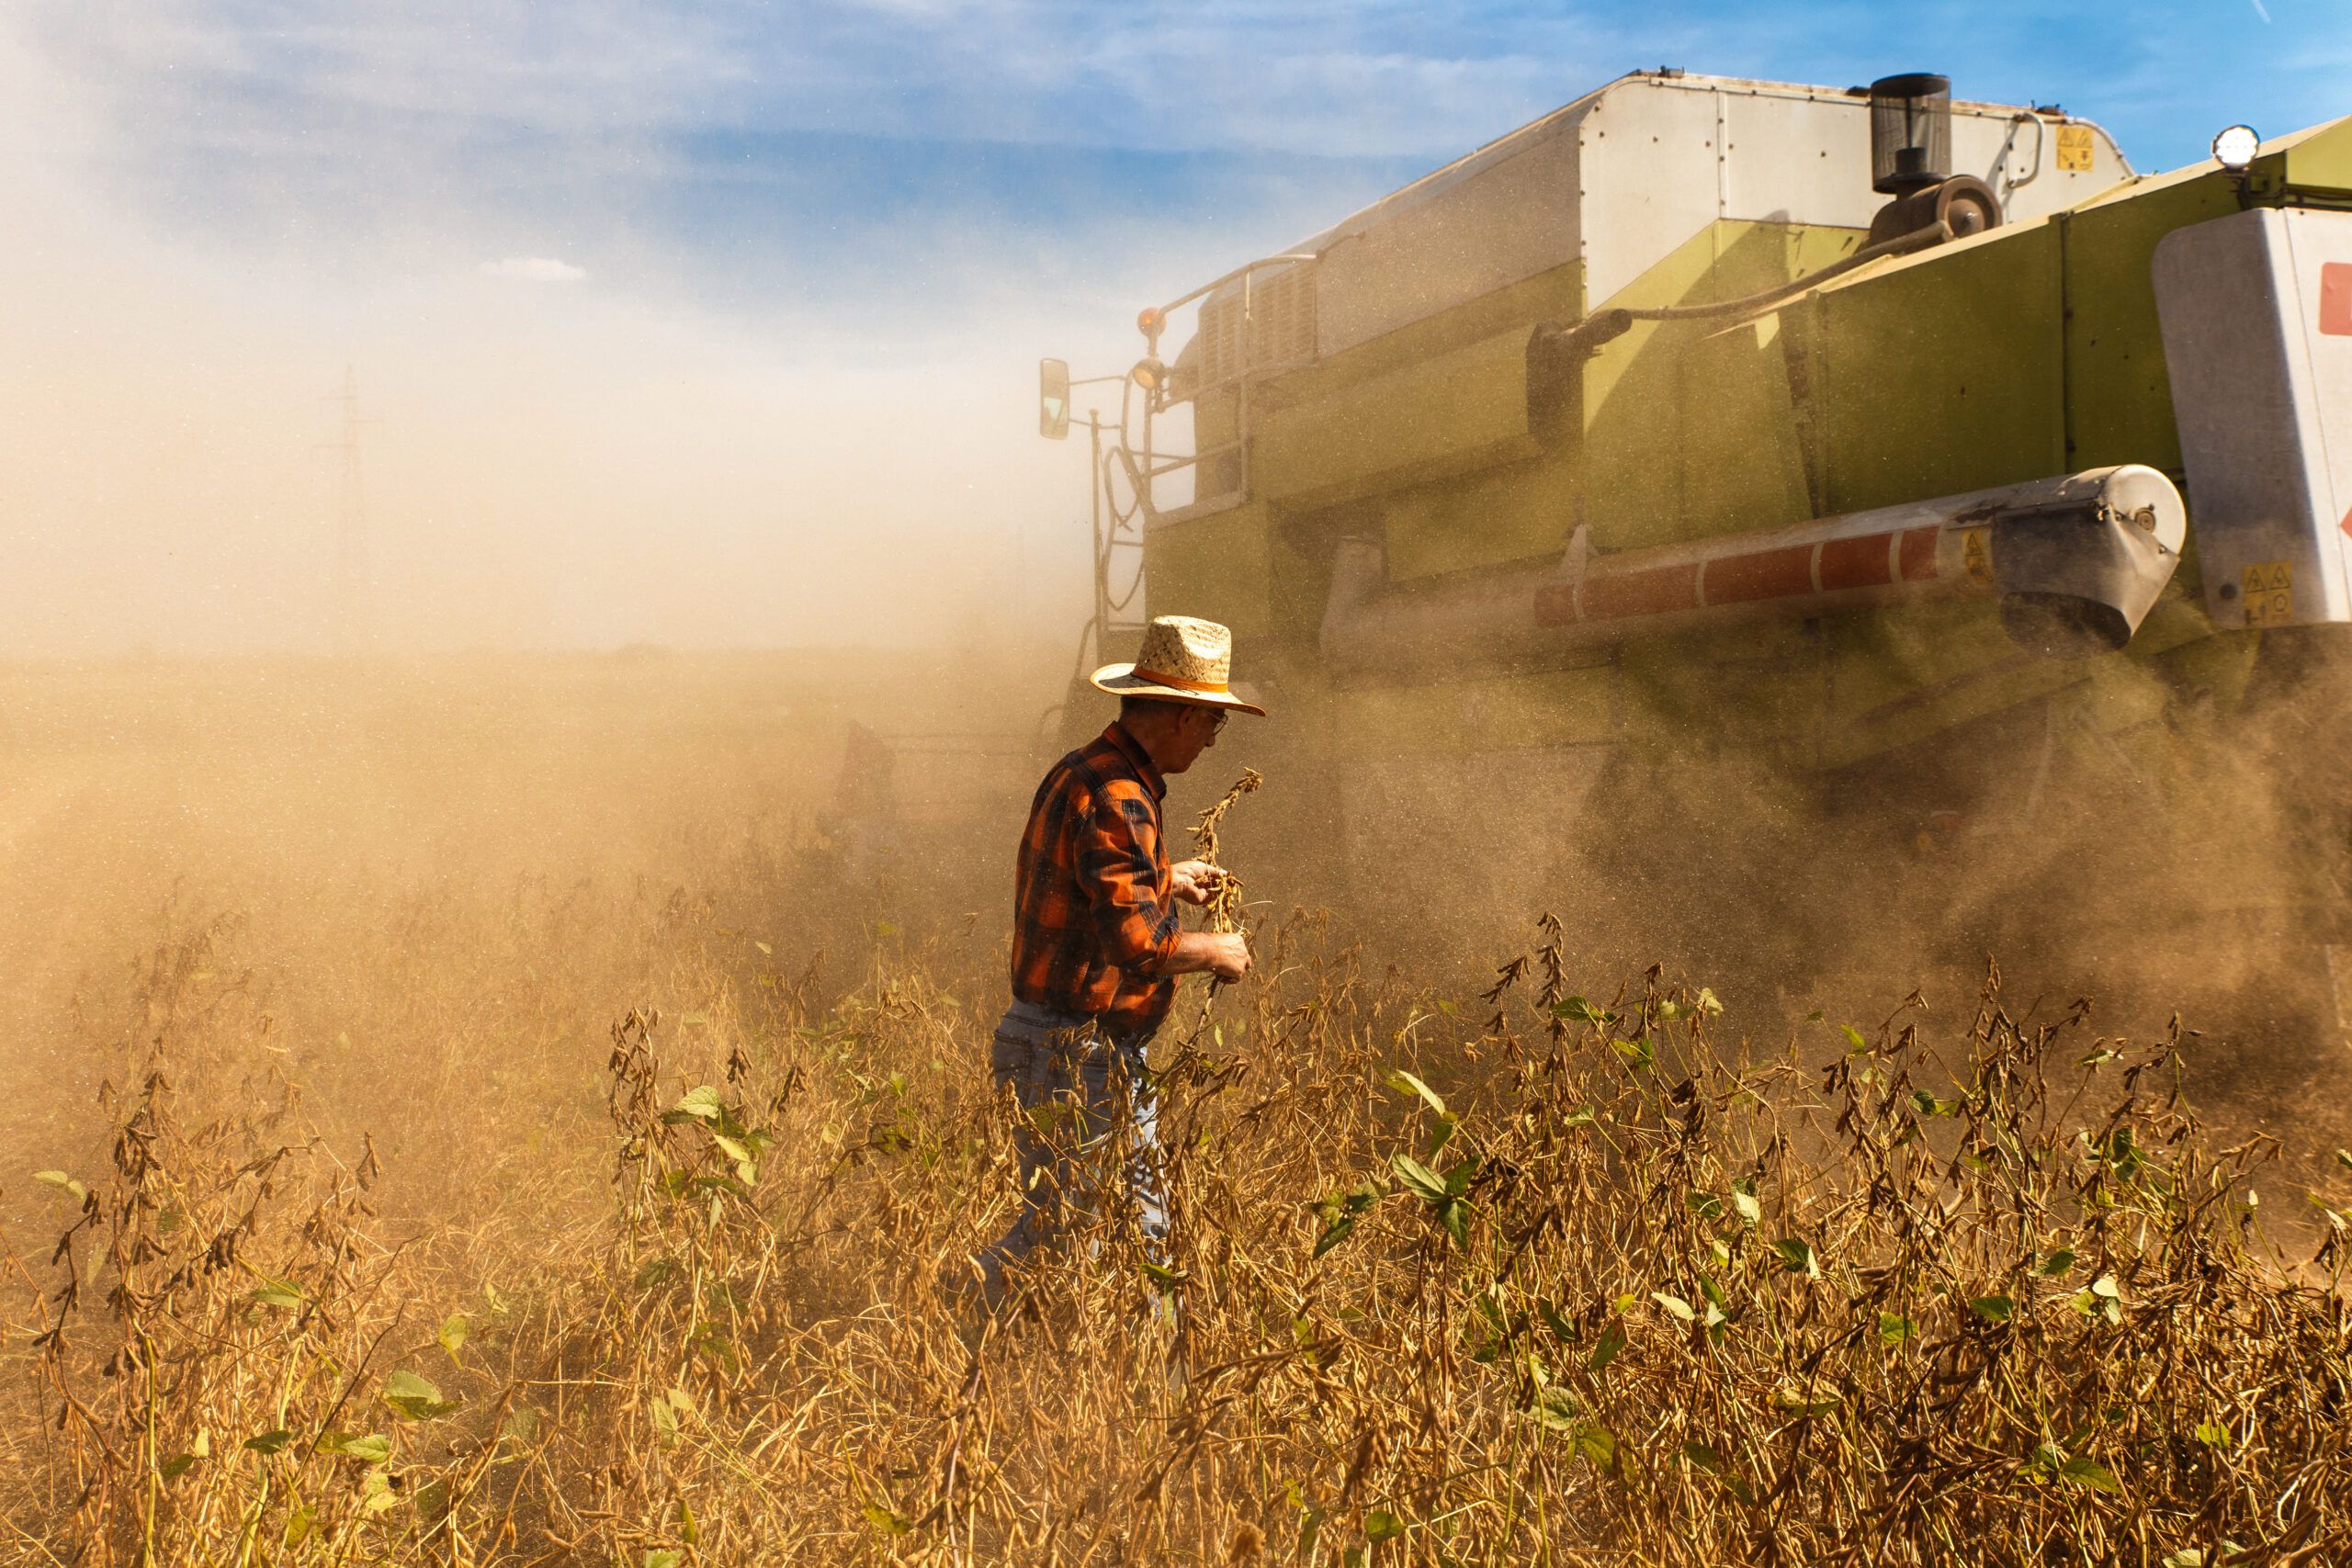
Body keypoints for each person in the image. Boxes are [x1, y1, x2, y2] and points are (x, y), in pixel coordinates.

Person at [972, 615, 1266, 1310]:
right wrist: (1215, 950)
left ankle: (969, 1321)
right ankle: (1160, 1402)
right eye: (1210, 722)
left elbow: (1091, 890)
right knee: (1131, 1240)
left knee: (1073, 1231)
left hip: (1054, 1040)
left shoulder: (1088, 771)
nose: (1214, 738)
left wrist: (1167, 874)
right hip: (1078, 1052)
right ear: (1176, 715)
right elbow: (1133, 944)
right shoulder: (1120, 797)